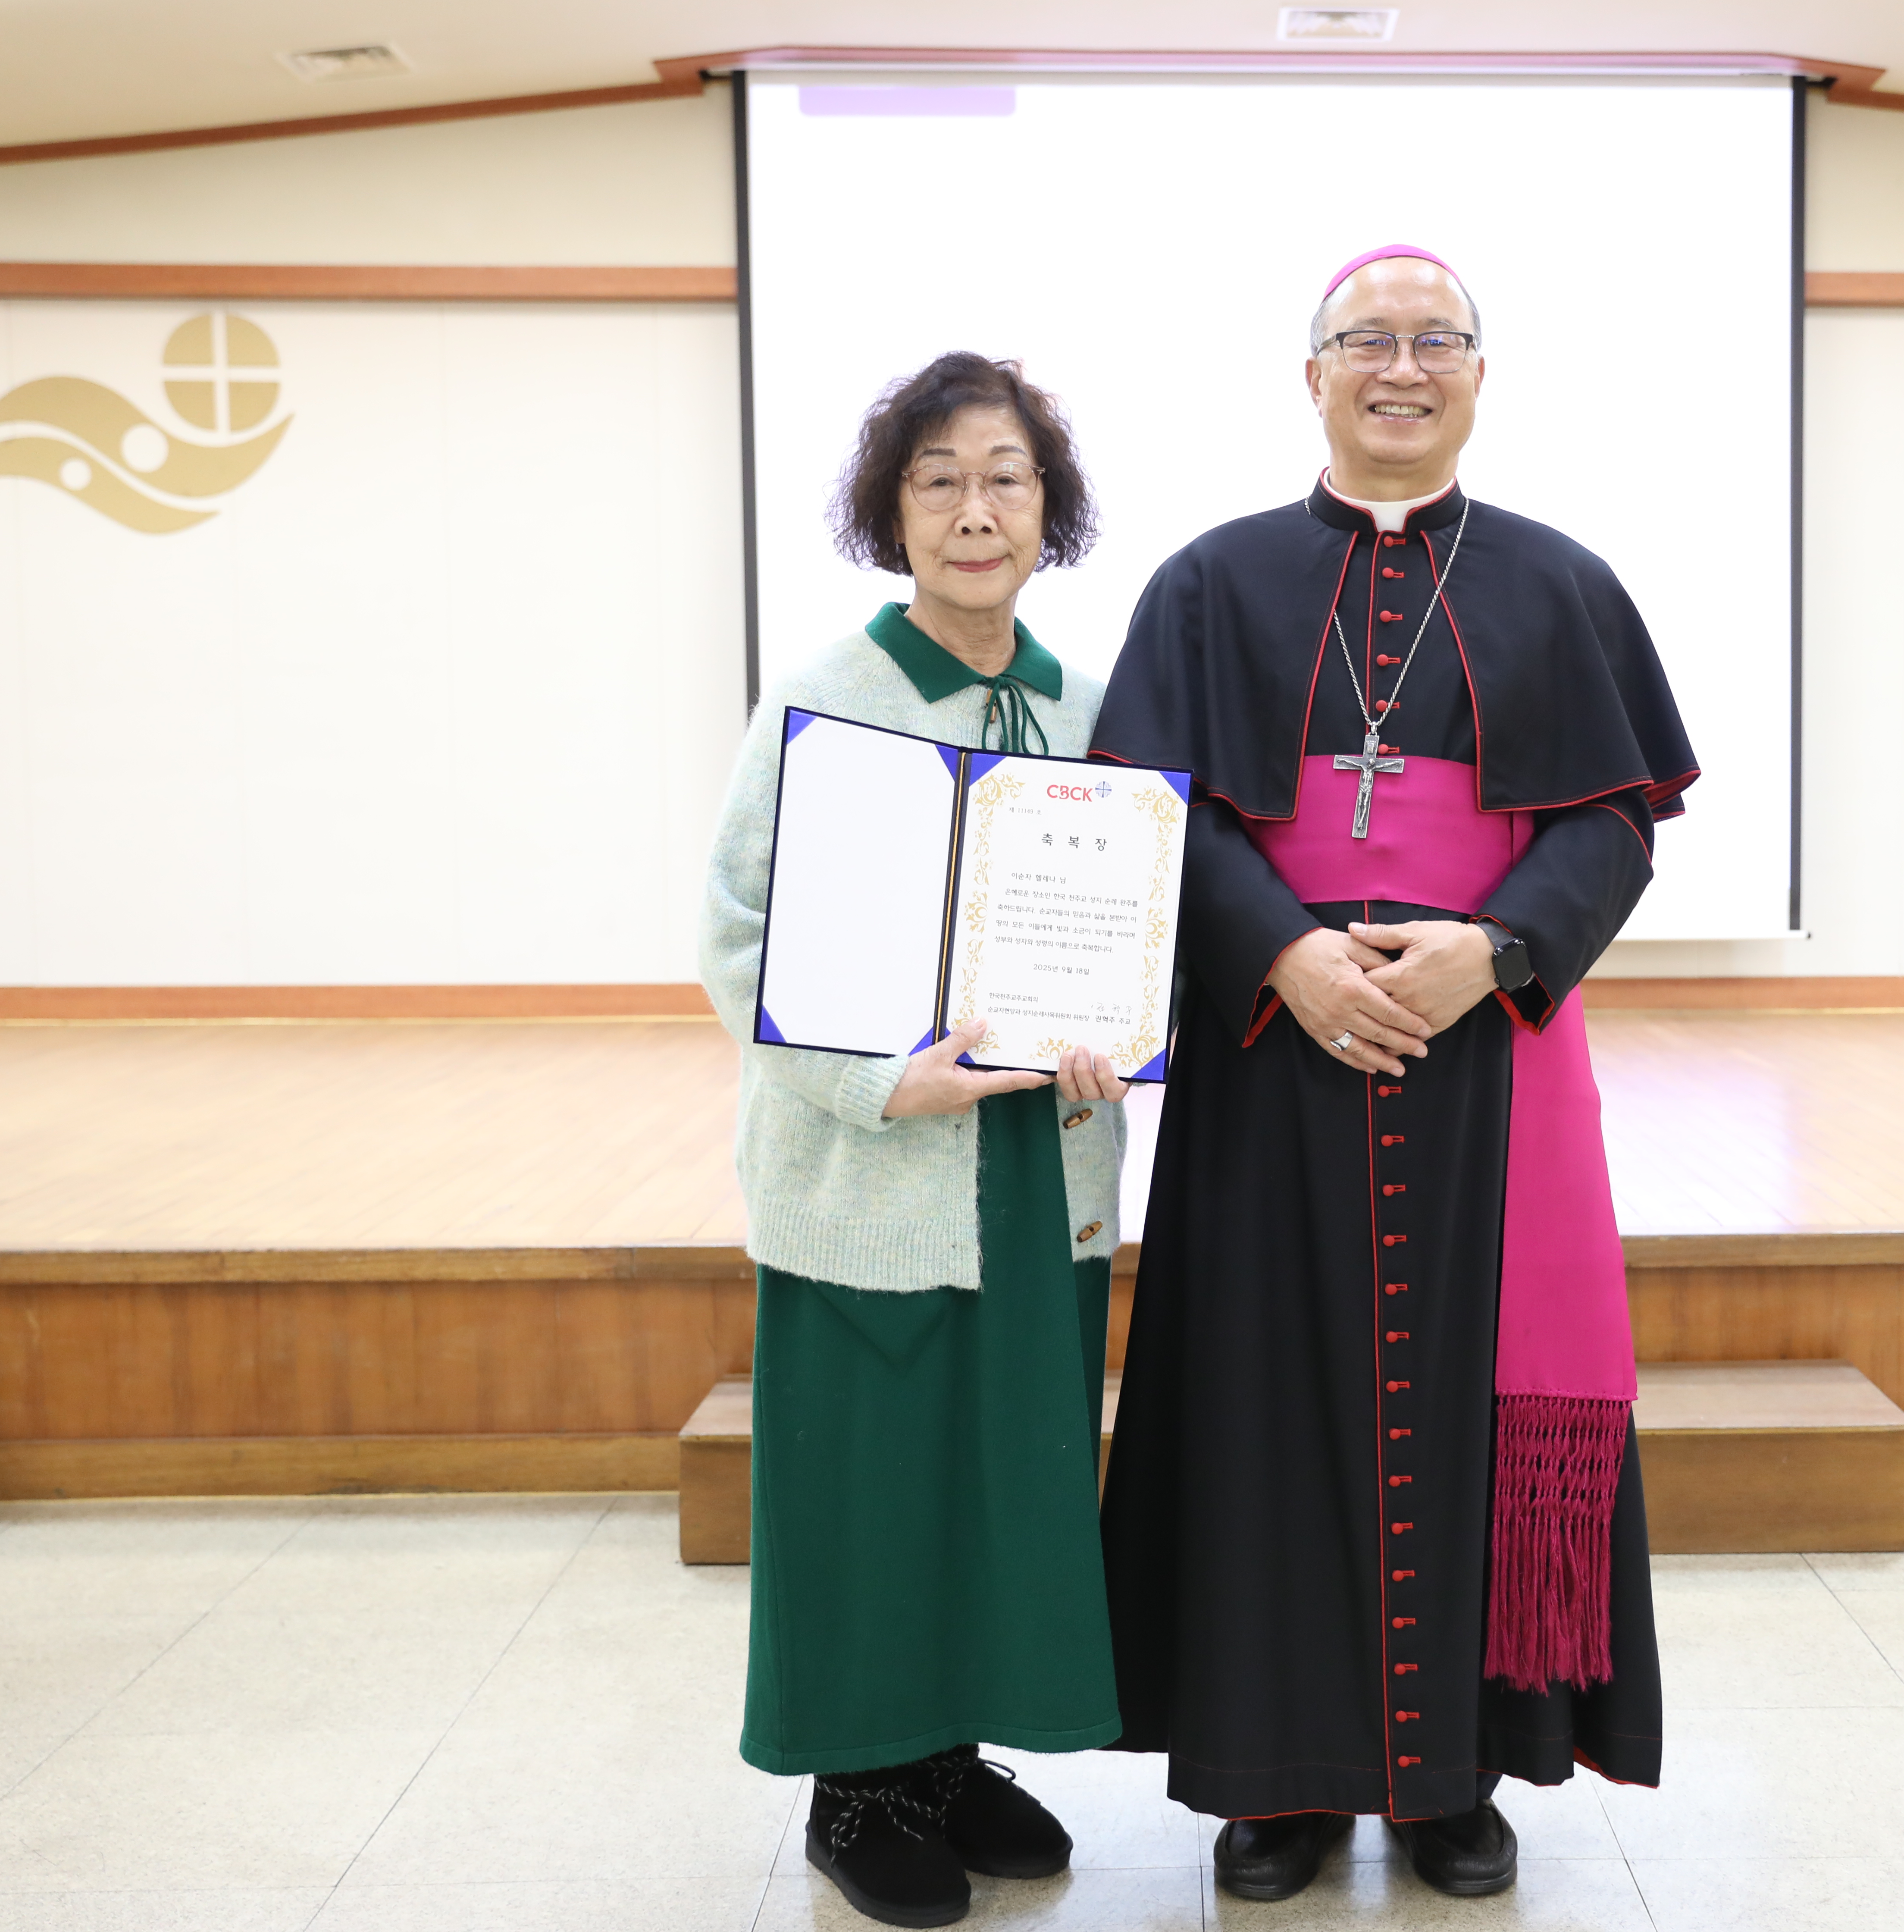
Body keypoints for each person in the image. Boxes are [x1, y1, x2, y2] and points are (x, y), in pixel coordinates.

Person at [1088, 246, 1697, 1901]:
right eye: (1369, 341)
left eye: (1438, 341)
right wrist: (1281, 951)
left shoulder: (1561, 587)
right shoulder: (1210, 587)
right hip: (1271, 1048)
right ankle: (1275, 1776)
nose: (1402, 367)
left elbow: (1613, 818)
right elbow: (1159, 811)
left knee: (1470, 1418)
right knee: (1259, 1401)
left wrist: (1485, 954)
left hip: (1485, 1059)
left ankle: (1450, 1781)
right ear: (1315, 379)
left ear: (1480, 378)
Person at [698, 351, 1133, 1930]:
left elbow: (1122, 929)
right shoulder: (824, 694)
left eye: (1006, 476)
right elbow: (736, 936)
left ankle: (946, 1756)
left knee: (1001, 1465)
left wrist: (1112, 1030)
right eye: (938, 478)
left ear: (1049, 508)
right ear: (892, 509)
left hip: (1035, 1162)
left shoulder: (1088, 707)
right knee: (870, 1474)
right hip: (875, 1160)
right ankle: (856, 1777)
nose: (975, 508)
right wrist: (882, 1081)